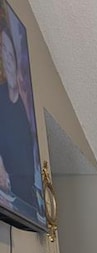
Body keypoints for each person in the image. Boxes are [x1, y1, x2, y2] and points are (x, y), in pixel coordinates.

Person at [0, 23, 36, 207]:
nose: (7, 59)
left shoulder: (26, 113)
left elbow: (28, 174)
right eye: (3, 51)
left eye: (10, 54)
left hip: (20, 201)